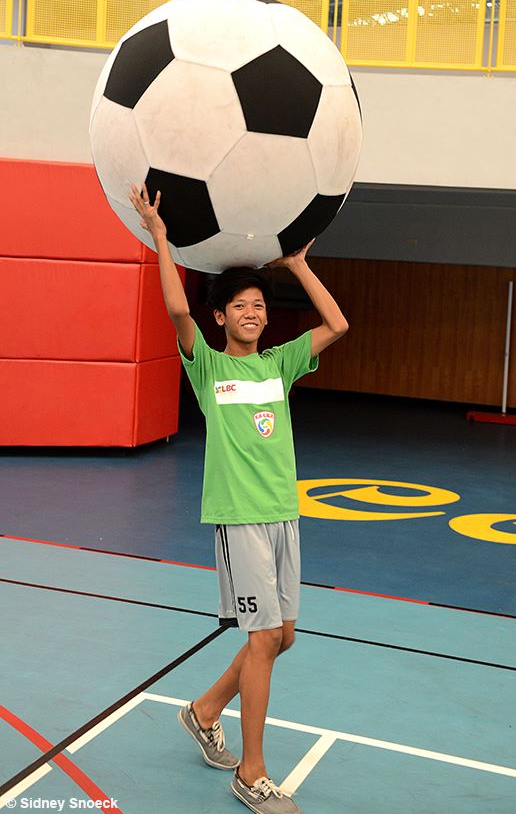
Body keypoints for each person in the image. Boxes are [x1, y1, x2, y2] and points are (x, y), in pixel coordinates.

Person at [129, 184, 348, 814]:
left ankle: (203, 711)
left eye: (258, 305)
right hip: (240, 519)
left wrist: (299, 265)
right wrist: (160, 236)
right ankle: (251, 774)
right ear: (221, 318)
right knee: (263, 638)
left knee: (281, 637)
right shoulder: (209, 367)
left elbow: (337, 324)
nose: (251, 312)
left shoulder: (279, 364)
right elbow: (178, 311)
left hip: (284, 514)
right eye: (239, 306)